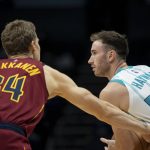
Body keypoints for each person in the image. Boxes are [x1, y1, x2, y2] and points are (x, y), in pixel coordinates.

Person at [0, 20, 149, 150]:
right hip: (9, 137)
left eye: (94, 53)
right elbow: (103, 111)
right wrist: (143, 128)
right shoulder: (45, 72)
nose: (90, 60)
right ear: (34, 45)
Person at [88, 30, 150, 150]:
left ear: (111, 56)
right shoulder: (145, 68)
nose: (90, 60)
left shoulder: (110, 93)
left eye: (94, 53)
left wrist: (115, 147)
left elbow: (128, 147)